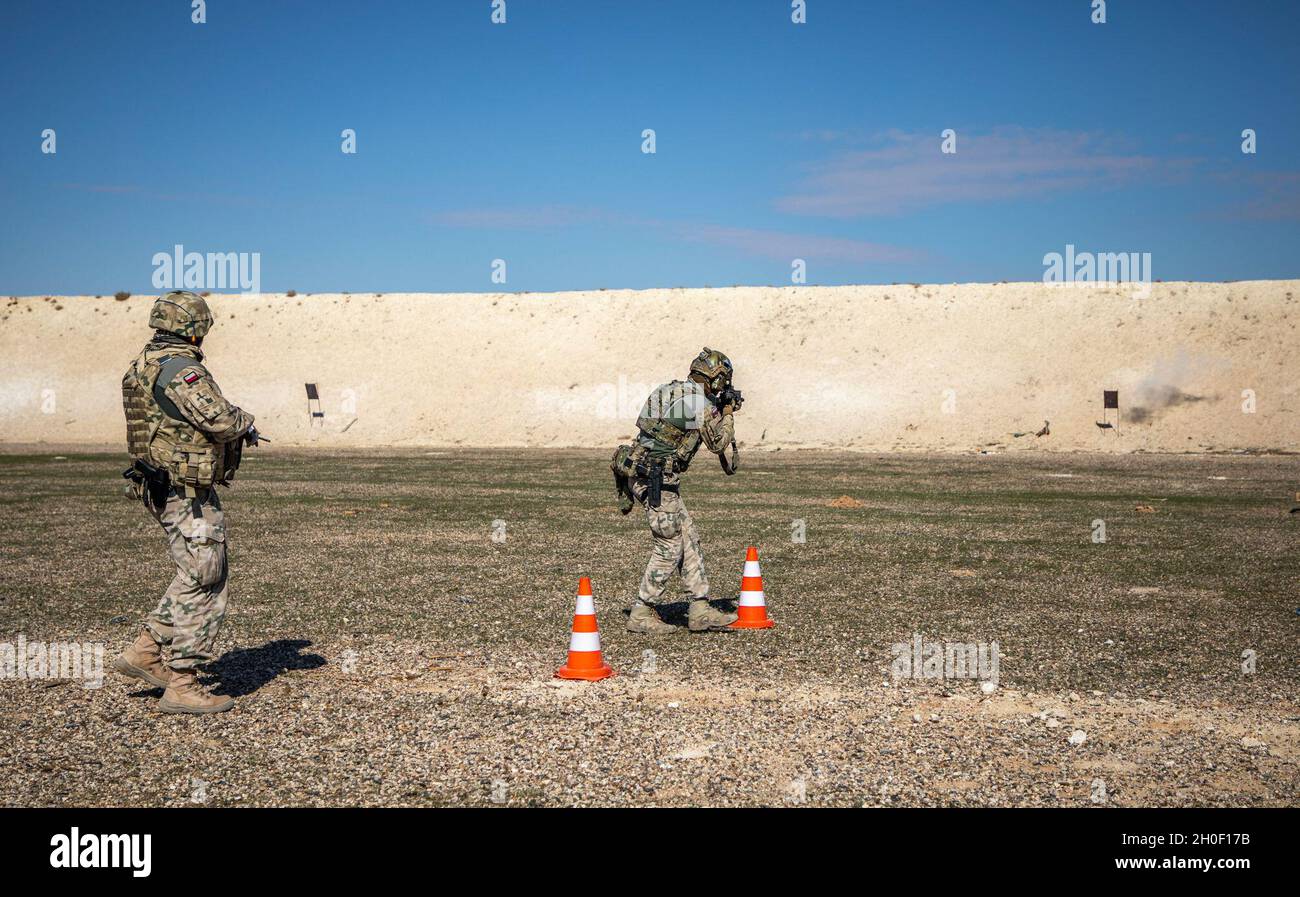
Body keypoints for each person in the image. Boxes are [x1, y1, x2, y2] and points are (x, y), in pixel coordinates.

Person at [115, 290, 264, 713]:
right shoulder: (182, 370)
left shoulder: (146, 364)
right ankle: (183, 682)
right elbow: (218, 418)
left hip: (163, 484)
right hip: (186, 491)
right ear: (195, 328)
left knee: (191, 572)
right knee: (206, 575)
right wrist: (246, 422)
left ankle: (144, 652)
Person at [612, 348, 742, 633]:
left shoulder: (668, 390)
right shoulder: (699, 404)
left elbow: (666, 428)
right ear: (716, 380)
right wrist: (728, 412)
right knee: (669, 546)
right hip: (657, 480)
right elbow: (719, 443)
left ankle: (699, 608)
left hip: (643, 473)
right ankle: (642, 611)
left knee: (688, 537)